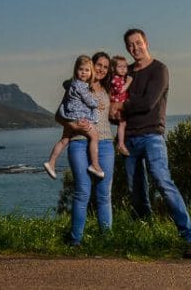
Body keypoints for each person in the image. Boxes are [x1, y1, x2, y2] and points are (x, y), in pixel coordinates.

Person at [111, 28, 191, 258]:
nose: (135, 48)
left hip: (152, 136)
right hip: (129, 139)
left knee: (162, 181)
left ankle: (190, 237)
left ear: (146, 42)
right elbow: (115, 103)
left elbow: (148, 103)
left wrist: (122, 106)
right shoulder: (126, 72)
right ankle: (147, 236)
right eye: (130, 45)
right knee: (136, 191)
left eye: (138, 43)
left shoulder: (159, 69)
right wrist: (115, 110)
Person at [60, 52, 115, 247]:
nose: (101, 69)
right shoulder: (77, 86)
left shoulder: (108, 89)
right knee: (82, 191)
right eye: (98, 65)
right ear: (91, 66)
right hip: (79, 142)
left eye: (105, 67)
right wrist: (75, 126)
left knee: (104, 194)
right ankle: (75, 240)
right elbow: (60, 115)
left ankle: (107, 240)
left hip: (105, 143)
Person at [44, 55, 105, 180]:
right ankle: (95, 165)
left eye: (87, 70)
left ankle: (51, 162)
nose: (83, 72)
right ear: (76, 70)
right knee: (95, 136)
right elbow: (89, 101)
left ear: (90, 72)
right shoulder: (81, 86)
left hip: (69, 117)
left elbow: (67, 85)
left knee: (64, 140)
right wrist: (97, 104)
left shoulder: (71, 84)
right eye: (81, 69)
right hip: (78, 118)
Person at [110, 55, 132, 157]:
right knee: (122, 123)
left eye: (125, 66)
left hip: (121, 104)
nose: (123, 69)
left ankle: (119, 141)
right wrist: (129, 81)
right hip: (117, 105)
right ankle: (120, 144)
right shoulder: (115, 79)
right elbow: (120, 90)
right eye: (120, 67)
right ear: (114, 68)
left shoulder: (121, 78)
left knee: (123, 123)